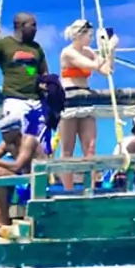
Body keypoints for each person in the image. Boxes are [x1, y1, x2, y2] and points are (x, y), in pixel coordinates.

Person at [0, 74, 65, 227]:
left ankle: (3, 217)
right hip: (21, 180)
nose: (2, 135)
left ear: (15, 131)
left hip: (35, 182)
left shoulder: (29, 140)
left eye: (4, 132)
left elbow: (16, 166)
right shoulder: (7, 143)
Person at [56, 19, 113, 190]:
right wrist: (106, 50)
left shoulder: (88, 51)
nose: (91, 38)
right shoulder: (68, 53)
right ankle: (68, 189)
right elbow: (93, 66)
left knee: (90, 147)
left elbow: (106, 70)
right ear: (79, 35)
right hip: (69, 99)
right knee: (68, 149)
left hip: (86, 97)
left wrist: (111, 51)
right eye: (89, 35)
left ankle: (91, 187)